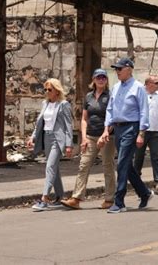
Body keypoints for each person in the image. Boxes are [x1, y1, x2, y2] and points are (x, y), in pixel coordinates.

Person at [98, 57, 154, 213]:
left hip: (132, 128)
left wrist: (141, 133)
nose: (117, 72)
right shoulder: (115, 88)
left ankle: (119, 201)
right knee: (126, 166)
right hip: (118, 128)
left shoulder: (138, 88)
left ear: (129, 69)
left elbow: (144, 111)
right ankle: (144, 192)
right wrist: (106, 130)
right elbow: (110, 110)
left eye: (119, 69)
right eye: (116, 69)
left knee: (121, 163)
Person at [61, 69, 116, 210]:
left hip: (107, 136)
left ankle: (110, 199)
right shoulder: (89, 97)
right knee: (83, 165)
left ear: (106, 80)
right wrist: (84, 138)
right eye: (99, 77)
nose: (101, 80)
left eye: (104, 77)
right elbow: (84, 119)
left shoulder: (110, 96)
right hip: (91, 136)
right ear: (94, 79)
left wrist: (105, 134)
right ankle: (76, 198)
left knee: (108, 166)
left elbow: (112, 118)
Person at [27, 78, 73, 211]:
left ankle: (44, 198)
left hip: (58, 139)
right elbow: (40, 123)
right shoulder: (44, 104)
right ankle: (59, 197)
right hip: (46, 138)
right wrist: (33, 137)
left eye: (49, 89)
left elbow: (68, 126)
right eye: (45, 89)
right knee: (54, 168)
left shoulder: (64, 105)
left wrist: (69, 144)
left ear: (57, 91)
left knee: (50, 166)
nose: (47, 92)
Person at [134, 75, 158, 194]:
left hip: (156, 130)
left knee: (156, 156)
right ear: (148, 83)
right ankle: (136, 179)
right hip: (142, 131)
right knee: (139, 156)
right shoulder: (140, 95)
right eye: (155, 83)